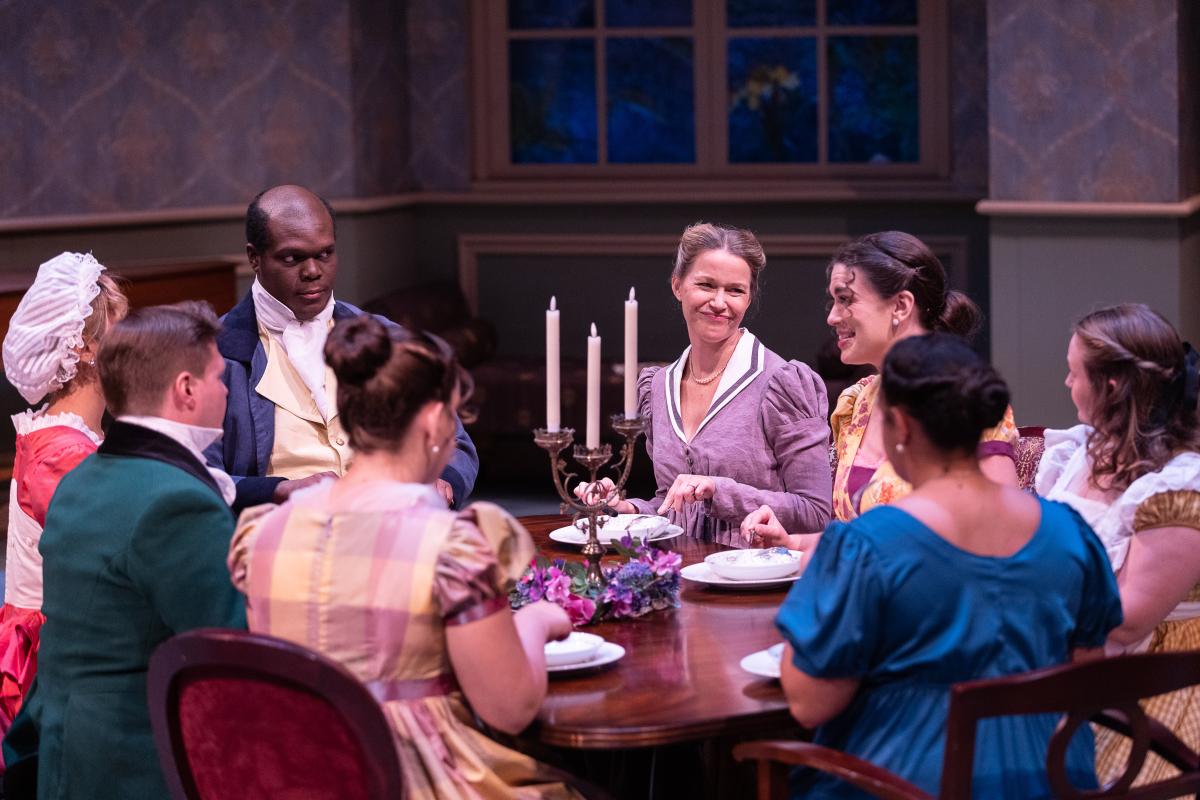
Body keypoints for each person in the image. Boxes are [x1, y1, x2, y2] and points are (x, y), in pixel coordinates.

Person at [229, 314, 580, 800]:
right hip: (405, 777)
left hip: (298, 775)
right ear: (436, 421)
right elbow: (509, 708)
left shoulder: (263, 534)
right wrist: (538, 622)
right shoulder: (448, 547)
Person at [775, 333, 1122, 798]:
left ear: (900, 427)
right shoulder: (1071, 533)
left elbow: (808, 702)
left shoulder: (867, 545)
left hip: (909, 780)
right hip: (1055, 778)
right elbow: (1088, 675)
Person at [2, 302, 247, 800]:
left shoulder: (83, 479)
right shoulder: (177, 502)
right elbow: (226, 653)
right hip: (136, 765)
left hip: (63, 752)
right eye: (220, 377)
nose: (226, 390)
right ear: (186, 389)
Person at [206, 184, 478, 512]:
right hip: (280, 535)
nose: (313, 271)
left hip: (392, 525)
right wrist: (277, 490)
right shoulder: (214, 353)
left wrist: (444, 479)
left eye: (325, 254)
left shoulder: (383, 336)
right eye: (292, 258)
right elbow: (198, 475)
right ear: (254, 257)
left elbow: (456, 443)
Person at [742, 231, 1018, 548]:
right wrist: (791, 542)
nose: (832, 316)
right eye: (832, 301)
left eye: (845, 299)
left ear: (900, 305)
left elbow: (997, 532)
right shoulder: (856, 403)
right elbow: (859, 538)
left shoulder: (965, 398)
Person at [580, 222, 831, 545]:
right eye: (706, 285)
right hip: (679, 575)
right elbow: (670, 505)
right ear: (677, 286)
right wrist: (624, 507)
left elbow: (815, 511)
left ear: (749, 297)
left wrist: (719, 489)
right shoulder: (658, 387)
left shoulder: (782, 384)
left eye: (735, 290)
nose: (719, 302)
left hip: (754, 578)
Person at [1035, 303, 1200, 786]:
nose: (1067, 385)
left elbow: (1127, 620)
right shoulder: (1084, 449)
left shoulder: (1179, 486)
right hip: (1072, 658)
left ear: (1109, 386)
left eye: (1073, 374)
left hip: (1151, 680)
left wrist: (1024, 590)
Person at [0, 253, 128, 749]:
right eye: (124, 329)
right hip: (52, 658)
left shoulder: (68, 435)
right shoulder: (61, 451)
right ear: (87, 346)